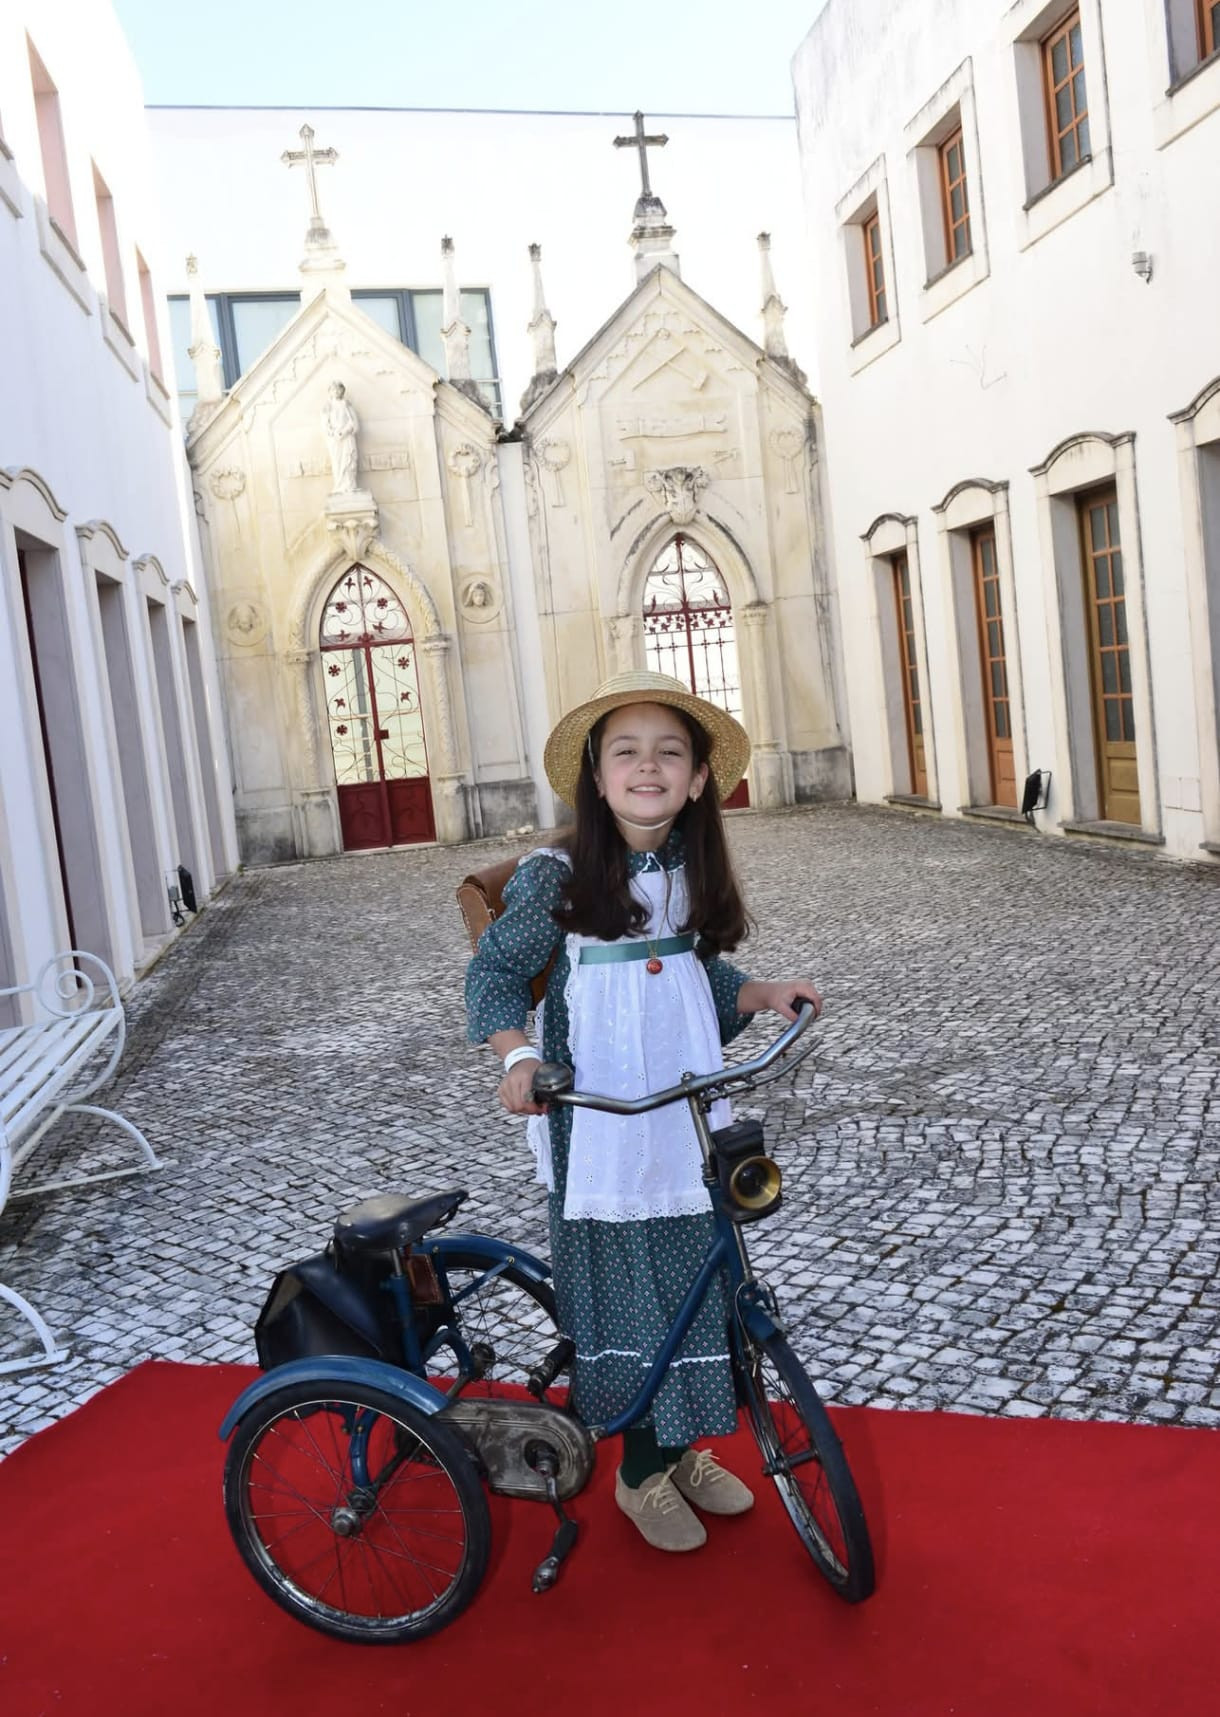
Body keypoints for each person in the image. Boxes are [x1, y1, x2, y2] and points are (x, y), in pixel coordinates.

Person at [465, 670, 821, 1553]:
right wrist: (517, 1056)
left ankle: (682, 1448)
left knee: (704, 1273)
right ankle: (636, 1471)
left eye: (670, 752)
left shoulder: (690, 868)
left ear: (700, 778)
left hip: (687, 1108)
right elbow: (496, 974)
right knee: (630, 1288)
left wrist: (763, 991)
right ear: (595, 775)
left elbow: (696, 971)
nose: (648, 766)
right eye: (626, 751)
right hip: (601, 1125)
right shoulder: (560, 874)